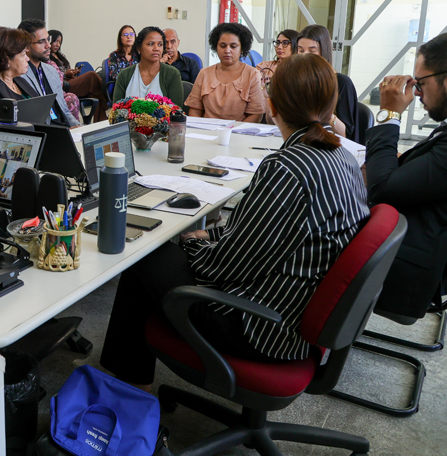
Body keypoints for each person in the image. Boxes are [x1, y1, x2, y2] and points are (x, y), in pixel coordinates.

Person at [100, 52, 369, 391]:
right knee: (168, 250)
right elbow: (271, 233)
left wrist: (192, 243)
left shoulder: (286, 168)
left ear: (272, 106)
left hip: (259, 326)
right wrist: (212, 236)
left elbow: (226, 268)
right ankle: (128, 382)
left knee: (144, 253)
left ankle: (127, 388)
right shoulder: (342, 156)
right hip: (297, 311)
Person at [364, 32, 447, 319]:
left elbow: (381, 190)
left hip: (404, 269)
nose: (417, 93)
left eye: (421, 83)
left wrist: (389, 115)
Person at [185, 23, 264, 122]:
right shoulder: (204, 73)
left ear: (242, 48)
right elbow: (195, 110)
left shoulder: (252, 74)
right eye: (222, 46)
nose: (227, 50)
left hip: (240, 130)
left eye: (233, 46)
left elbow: (256, 114)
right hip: (206, 129)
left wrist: (234, 130)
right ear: (216, 47)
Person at [296, 25, 359, 143]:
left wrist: (324, 111)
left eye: (312, 51)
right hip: (302, 142)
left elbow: (346, 134)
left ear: (323, 51)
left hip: (331, 146)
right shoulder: (297, 80)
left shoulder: (342, 83)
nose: (305, 55)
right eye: (301, 50)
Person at [17, 19, 78, 126]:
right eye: (41, 42)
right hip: (47, 130)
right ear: (26, 46)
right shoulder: (20, 75)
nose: (48, 45)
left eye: (48, 39)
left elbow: (65, 110)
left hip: (64, 127)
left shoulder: (51, 71)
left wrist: (79, 127)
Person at [112, 27, 184, 106]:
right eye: (151, 44)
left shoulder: (172, 74)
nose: (156, 48)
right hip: (128, 115)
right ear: (139, 48)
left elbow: (176, 110)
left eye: (160, 45)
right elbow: (116, 110)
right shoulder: (124, 75)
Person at [49, 29, 108, 121]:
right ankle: (108, 96)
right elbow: (54, 76)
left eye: (60, 42)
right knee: (92, 75)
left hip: (70, 80)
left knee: (95, 92)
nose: (58, 45)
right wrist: (65, 74)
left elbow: (67, 70)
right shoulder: (47, 58)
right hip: (63, 85)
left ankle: (100, 120)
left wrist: (73, 72)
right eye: (55, 41)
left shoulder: (61, 56)